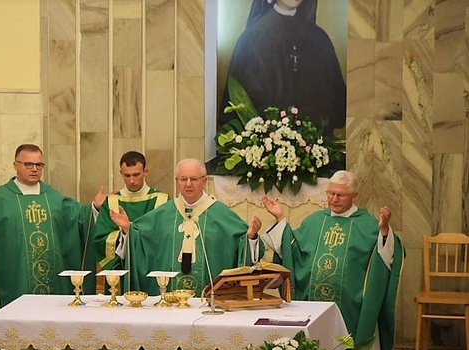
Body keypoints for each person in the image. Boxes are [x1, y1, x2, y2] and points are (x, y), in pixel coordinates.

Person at [261, 170, 404, 350]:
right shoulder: (315, 221)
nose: (334, 199)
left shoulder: (368, 225)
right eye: (331, 194)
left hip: (354, 308)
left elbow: (385, 259)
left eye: (340, 195)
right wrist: (281, 218)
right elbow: (292, 250)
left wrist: (384, 232)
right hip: (317, 309)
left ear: (354, 196)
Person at [0, 144, 105, 326]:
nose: (34, 169)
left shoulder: (55, 199)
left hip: (53, 282)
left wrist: (94, 208)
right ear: (15, 165)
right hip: (15, 283)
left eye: (39, 165)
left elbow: (80, 218)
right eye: (28, 164)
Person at [129, 158, 262, 295]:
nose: (188, 184)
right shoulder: (164, 213)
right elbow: (140, 238)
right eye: (183, 179)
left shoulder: (221, 213)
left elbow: (242, 243)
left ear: (204, 181)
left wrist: (251, 237)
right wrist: (128, 230)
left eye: (193, 179)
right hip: (169, 303)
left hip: (211, 300)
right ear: (177, 181)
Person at [220, 0, 346, 134]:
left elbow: (337, 107)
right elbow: (239, 109)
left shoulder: (319, 38)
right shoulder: (251, 39)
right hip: (266, 148)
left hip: (315, 146)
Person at [93, 151, 169, 271]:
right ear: (121, 173)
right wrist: (124, 233)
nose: (132, 181)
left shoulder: (162, 201)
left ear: (146, 172)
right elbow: (100, 239)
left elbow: (166, 237)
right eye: (127, 176)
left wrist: (130, 230)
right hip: (121, 269)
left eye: (136, 175)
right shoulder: (112, 201)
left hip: (151, 267)